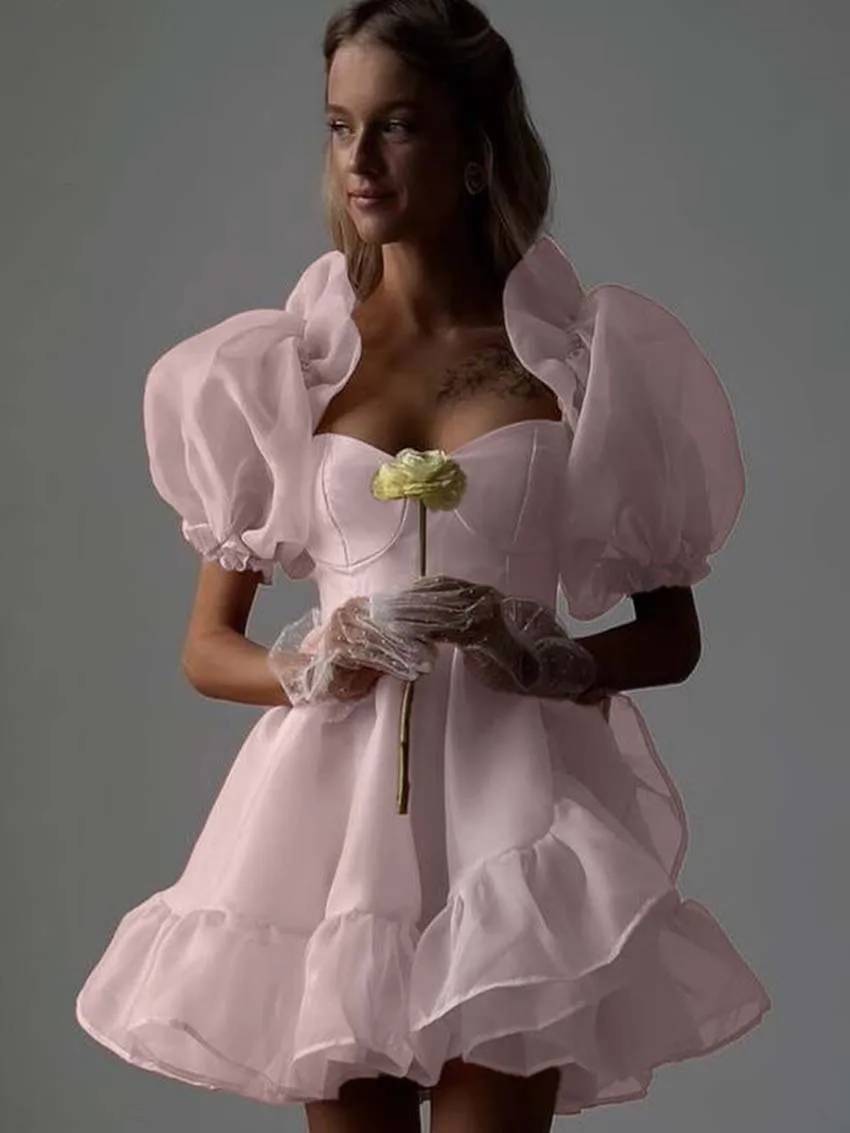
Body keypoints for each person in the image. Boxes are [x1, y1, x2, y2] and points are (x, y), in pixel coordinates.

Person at [74, 2, 772, 1131]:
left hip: (514, 823)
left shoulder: (583, 362)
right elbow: (205, 647)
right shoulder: (289, 367)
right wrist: (311, 662)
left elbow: (672, 636)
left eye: (395, 125)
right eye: (338, 126)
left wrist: (552, 659)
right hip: (329, 833)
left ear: (475, 149)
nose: (359, 160)